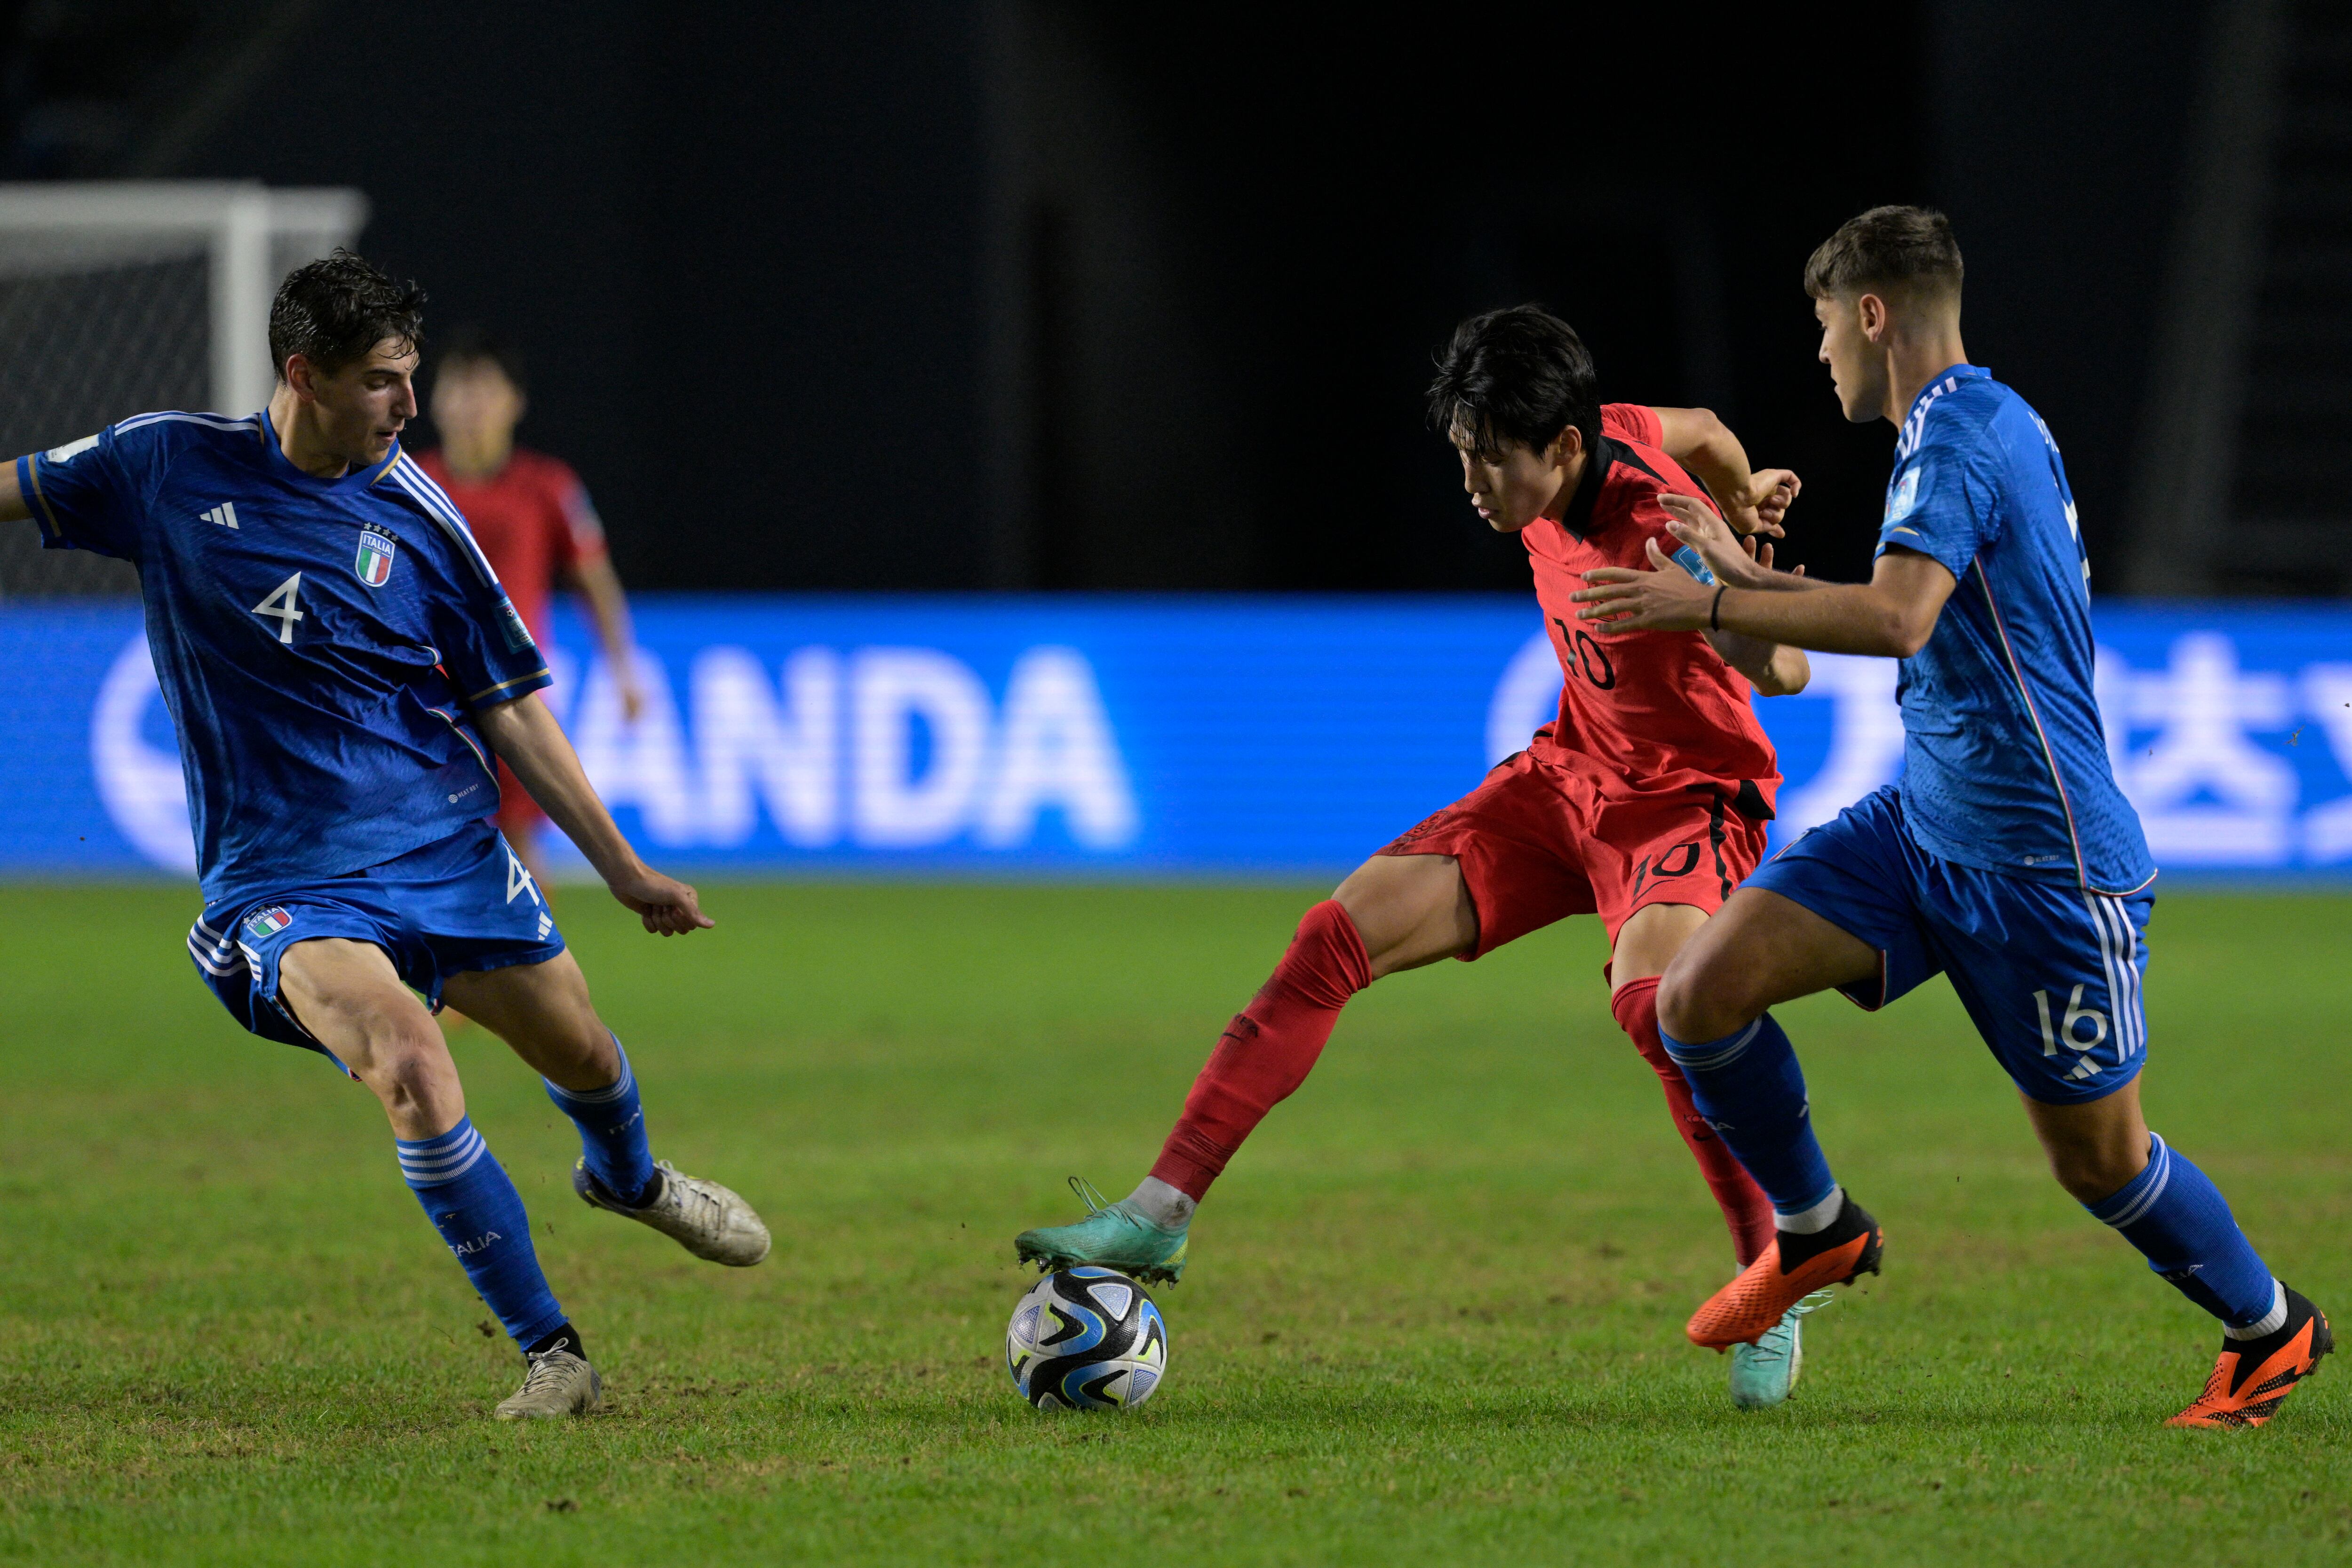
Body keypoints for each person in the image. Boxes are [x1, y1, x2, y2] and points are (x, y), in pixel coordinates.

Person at [1573, 205, 2330, 1428]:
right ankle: (1817, 1227)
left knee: (2100, 1159)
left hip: (2044, 864)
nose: (1819, 354)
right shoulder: (1966, 425)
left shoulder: (1961, 434)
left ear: (1874, 314)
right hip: (1923, 826)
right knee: (1698, 995)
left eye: (1825, 325)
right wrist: (1730, 562)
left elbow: (1896, 620)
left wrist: (1704, 605)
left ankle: (2271, 1325)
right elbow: (1910, 612)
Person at [1, 252, 771, 1420]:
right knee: (412, 1064)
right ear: (303, 374)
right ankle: (554, 1355)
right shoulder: (161, 463)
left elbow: (507, 700)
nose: (413, 408)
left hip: (444, 853)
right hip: (286, 881)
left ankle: (630, 1179)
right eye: (383, 382)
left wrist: (621, 868)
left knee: (586, 1058)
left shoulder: (420, 512)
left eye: (413, 379)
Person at [1018, 304, 1823, 1407]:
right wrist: (1743, 486)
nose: (1475, 483)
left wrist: (1723, 573)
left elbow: (1785, 670)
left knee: (1658, 1008)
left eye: (1493, 461)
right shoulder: (1615, 428)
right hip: (1567, 773)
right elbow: (1708, 425)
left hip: (1683, 802)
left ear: (1564, 448)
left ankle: (1768, 1278)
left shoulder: (1654, 529)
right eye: (1461, 455)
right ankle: (1159, 1215)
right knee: (1331, 937)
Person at [416, 329, 642, 890]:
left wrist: (624, 670)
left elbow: (594, 581)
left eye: (485, 393)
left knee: (516, 844)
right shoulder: (406, 483)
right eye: (459, 392)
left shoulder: (547, 487)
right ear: (435, 401)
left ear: (514, 404)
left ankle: (540, 972)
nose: (471, 408)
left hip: (508, 696)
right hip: (418, 695)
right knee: (413, 846)